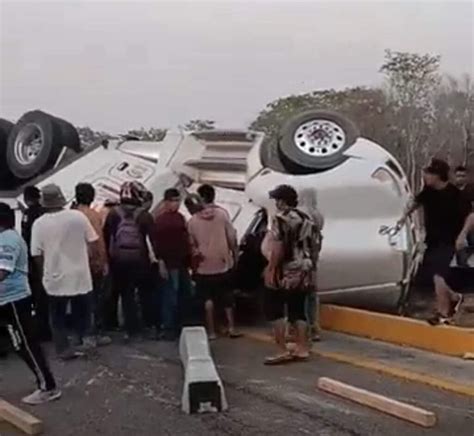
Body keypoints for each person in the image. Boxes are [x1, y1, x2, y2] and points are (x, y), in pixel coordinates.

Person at [0, 202, 61, 404]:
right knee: (19, 344)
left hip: (14, 300)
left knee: (25, 344)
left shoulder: (8, 240)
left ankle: (48, 386)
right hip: (6, 300)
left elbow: (3, 271)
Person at [398, 159, 470, 325]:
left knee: (438, 275)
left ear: (438, 176)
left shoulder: (455, 194)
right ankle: (454, 297)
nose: (426, 177)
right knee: (435, 276)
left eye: (429, 174)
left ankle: (443, 312)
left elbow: (470, 216)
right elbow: (414, 203)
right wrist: (403, 218)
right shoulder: (428, 192)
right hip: (432, 240)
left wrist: (462, 236)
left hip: (449, 240)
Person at [31, 184, 99, 359]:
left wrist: (43, 272)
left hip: (55, 277)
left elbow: (36, 254)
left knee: (57, 315)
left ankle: (63, 349)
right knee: (83, 310)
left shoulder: (39, 224)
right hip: (80, 274)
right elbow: (93, 242)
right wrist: (90, 260)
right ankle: (85, 341)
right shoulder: (78, 217)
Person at [262, 185, 321, 365]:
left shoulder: (281, 219)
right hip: (304, 268)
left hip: (286, 270)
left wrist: (271, 269)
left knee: (275, 309)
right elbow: (316, 244)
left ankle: (281, 350)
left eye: (277, 199)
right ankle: (302, 348)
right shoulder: (306, 218)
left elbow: (278, 248)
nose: (276, 203)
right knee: (298, 309)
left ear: (282, 201)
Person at [104, 181, 157, 342]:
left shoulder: (113, 213)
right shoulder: (144, 215)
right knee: (145, 293)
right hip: (140, 260)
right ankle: (149, 325)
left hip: (119, 261)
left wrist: (108, 260)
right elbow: (154, 240)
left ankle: (130, 329)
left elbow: (107, 238)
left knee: (126, 295)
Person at [188, 186, 240, 340]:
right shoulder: (222, 214)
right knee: (227, 296)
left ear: (201, 198)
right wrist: (234, 255)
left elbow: (192, 244)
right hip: (222, 262)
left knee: (207, 299)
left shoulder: (192, 221)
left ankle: (211, 331)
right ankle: (231, 327)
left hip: (204, 266)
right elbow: (232, 237)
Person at [153, 188, 193, 340]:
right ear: (166, 202)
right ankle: (168, 326)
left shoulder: (180, 218)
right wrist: (161, 262)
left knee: (181, 294)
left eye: (178, 201)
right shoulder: (161, 220)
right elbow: (158, 244)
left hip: (181, 262)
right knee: (170, 295)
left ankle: (179, 325)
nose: (176, 204)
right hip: (169, 263)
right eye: (173, 201)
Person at [74, 183, 111, 346]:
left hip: (75, 262)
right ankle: (91, 334)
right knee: (94, 299)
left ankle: (78, 334)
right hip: (90, 263)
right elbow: (97, 242)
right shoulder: (93, 216)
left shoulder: (72, 214)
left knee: (77, 299)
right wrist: (102, 262)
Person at [20, 186, 50, 341]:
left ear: (26, 198)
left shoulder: (28, 214)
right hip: (49, 256)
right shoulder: (46, 212)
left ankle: (41, 329)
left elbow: (26, 236)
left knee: (38, 294)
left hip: (34, 258)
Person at [453, 166, 474, 267]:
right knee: (460, 258)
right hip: (456, 224)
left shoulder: (471, 189)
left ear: (466, 177)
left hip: (470, 223)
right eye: (458, 176)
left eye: (462, 176)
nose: (460, 178)